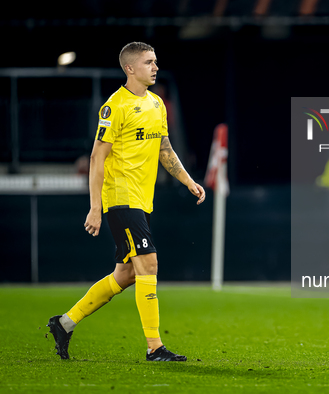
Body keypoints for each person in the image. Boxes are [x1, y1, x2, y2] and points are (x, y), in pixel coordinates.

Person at [46, 42, 206, 362]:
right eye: (149, 62)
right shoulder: (114, 106)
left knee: (126, 275)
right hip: (121, 198)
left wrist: (188, 181)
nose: (155, 67)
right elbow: (97, 157)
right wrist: (95, 206)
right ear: (130, 69)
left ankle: (64, 323)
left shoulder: (157, 104)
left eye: (156, 61)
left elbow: (165, 150)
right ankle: (154, 347)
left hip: (142, 200)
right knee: (149, 264)